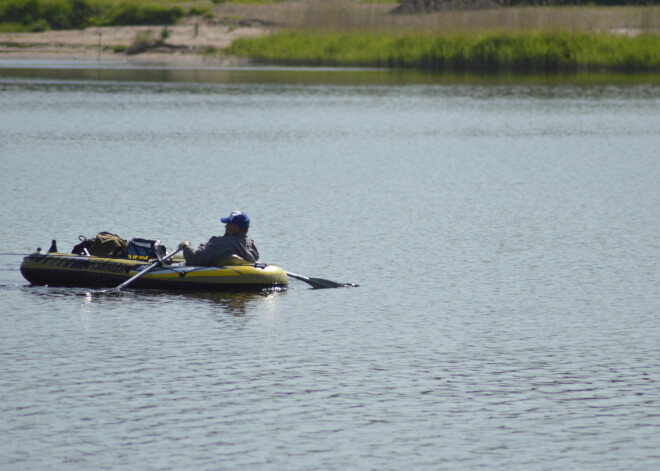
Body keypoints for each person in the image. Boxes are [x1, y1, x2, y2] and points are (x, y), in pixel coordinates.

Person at [178, 210, 259, 266]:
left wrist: (186, 246)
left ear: (234, 227)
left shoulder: (221, 243)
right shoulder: (251, 245)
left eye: (228, 224)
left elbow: (194, 259)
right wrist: (209, 247)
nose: (225, 226)